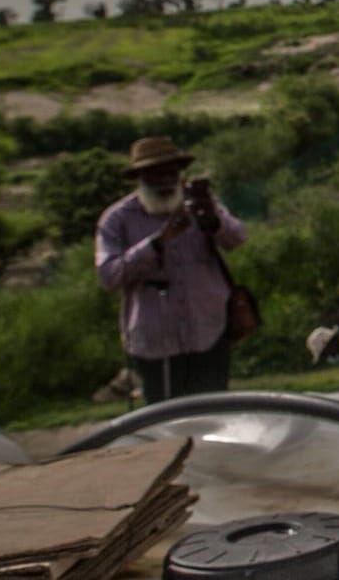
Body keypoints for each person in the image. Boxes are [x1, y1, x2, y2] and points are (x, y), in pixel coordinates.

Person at [94, 137, 249, 405]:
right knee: (165, 417)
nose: (166, 180)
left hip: (207, 327)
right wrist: (156, 243)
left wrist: (212, 219)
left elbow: (238, 238)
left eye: (171, 172)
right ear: (140, 177)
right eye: (156, 174)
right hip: (155, 338)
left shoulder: (200, 202)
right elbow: (108, 275)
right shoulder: (118, 219)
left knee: (214, 410)